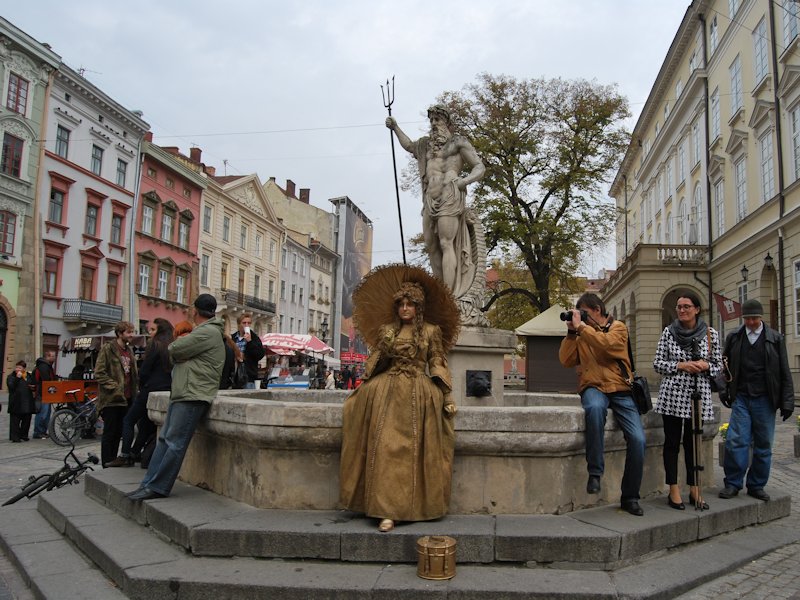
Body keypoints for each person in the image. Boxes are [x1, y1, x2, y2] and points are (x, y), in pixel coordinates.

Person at [339, 268, 460, 533]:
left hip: (418, 392)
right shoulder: (387, 331)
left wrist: (447, 395)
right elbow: (376, 361)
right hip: (388, 392)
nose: (405, 308)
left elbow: (437, 362)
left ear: (419, 307)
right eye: (401, 304)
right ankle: (385, 509)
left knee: (412, 451)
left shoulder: (430, 332)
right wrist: (369, 373)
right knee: (384, 448)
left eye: (410, 304)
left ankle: (412, 507)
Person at [128, 294, 225, 501]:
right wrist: (182, 354)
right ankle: (148, 483)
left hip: (193, 392)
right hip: (183, 390)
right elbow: (175, 353)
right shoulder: (203, 331)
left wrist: (182, 354)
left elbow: (173, 349)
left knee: (174, 442)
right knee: (164, 439)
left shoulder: (208, 331)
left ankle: (158, 486)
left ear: (195, 310)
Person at [559, 293, 647, 516]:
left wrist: (581, 329)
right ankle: (595, 473)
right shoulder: (580, 333)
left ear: (597, 310)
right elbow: (566, 360)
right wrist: (571, 332)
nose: (583, 318)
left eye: (585, 313)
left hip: (621, 388)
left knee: (638, 439)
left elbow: (607, 346)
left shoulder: (618, 328)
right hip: (593, 386)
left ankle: (630, 496)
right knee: (594, 408)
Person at [386, 105, 485, 297]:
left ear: (446, 122)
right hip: (429, 199)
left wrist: (464, 181)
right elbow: (408, 145)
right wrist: (396, 127)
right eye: (431, 120)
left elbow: (479, 167)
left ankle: (449, 297)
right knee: (432, 247)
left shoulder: (458, 143)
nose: (433, 124)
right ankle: (440, 293)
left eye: (437, 120)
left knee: (446, 243)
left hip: (449, 195)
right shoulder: (425, 146)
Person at [719, 299, 794, 502]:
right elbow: (724, 367)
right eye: (747, 318)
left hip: (765, 398)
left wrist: (787, 401)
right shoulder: (734, 337)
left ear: (761, 318)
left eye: (754, 318)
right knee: (736, 441)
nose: (751, 322)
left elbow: (784, 372)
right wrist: (723, 390)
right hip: (742, 396)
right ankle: (733, 483)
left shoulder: (775, 339)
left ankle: (757, 484)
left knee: (763, 444)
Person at [653, 293, 722, 510]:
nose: (682, 310)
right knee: (672, 443)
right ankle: (673, 488)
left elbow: (719, 364)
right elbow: (658, 363)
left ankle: (695, 488)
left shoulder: (710, 334)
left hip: (698, 395)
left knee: (694, 443)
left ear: (697, 309)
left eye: (686, 306)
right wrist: (681, 366)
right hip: (673, 395)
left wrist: (705, 365)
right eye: (679, 307)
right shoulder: (668, 332)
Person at [109, 319, 173, 468]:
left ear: (160, 331)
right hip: (167, 388)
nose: (149, 333)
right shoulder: (171, 345)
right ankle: (135, 452)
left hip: (150, 388)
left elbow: (145, 370)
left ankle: (125, 455)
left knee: (129, 420)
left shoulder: (155, 344)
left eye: (152, 330)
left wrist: (141, 385)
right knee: (145, 424)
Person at [94, 321, 139, 467]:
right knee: (110, 432)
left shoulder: (129, 350)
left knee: (119, 432)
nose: (132, 335)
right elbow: (99, 373)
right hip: (112, 398)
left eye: (132, 332)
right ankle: (107, 461)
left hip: (127, 398)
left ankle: (113, 461)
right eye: (129, 332)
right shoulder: (108, 349)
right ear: (120, 333)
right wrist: (114, 387)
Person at [231, 313, 265, 389]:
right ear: (239, 324)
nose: (247, 325)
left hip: (248, 376)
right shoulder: (233, 338)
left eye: (249, 323)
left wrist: (250, 342)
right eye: (244, 323)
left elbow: (259, 355)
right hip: (234, 376)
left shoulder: (254, 338)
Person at [7, 360, 35, 442]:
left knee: (26, 420)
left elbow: (33, 384)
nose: (17, 369)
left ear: (24, 369)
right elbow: (11, 386)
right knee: (15, 421)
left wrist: (33, 387)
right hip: (16, 401)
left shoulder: (28, 376)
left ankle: (24, 435)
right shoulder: (11, 376)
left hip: (27, 401)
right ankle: (15, 437)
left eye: (20, 368)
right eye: (17, 367)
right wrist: (17, 378)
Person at [32, 350, 57, 439]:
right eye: (53, 356)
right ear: (48, 356)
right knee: (43, 413)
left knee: (45, 413)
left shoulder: (47, 366)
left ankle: (42, 431)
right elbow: (46, 380)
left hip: (45, 392)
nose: (54, 358)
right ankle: (38, 432)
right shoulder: (43, 366)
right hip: (43, 393)